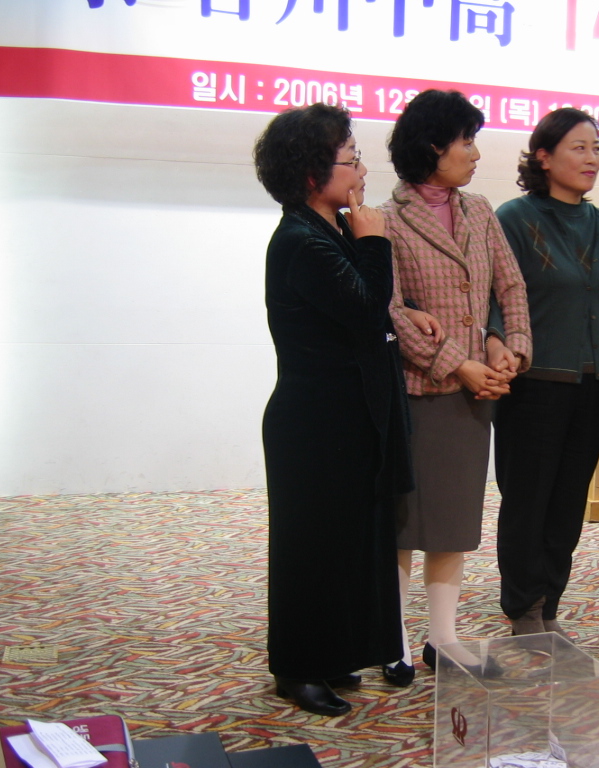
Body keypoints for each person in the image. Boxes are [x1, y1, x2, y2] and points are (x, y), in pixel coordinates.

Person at [255, 104, 426, 716]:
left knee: (347, 544)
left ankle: (331, 653)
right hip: (314, 423)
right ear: (311, 174)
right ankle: (297, 668)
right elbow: (364, 309)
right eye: (350, 159)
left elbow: (368, 312)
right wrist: (375, 239)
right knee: (310, 548)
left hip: (345, 416)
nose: (361, 170)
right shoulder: (301, 240)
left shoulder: (327, 230)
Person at [380, 89, 532, 681]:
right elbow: (390, 310)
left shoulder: (480, 210)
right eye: (466, 141)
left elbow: (510, 287)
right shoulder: (387, 219)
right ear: (431, 146)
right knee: (404, 523)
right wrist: (455, 362)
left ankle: (442, 637)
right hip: (419, 391)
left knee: (454, 521)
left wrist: (508, 347)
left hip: (476, 394)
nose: (475, 152)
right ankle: (392, 638)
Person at [492, 108, 599, 637]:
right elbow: (495, 297)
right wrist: (496, 345)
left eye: (596, 148)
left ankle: (549, 603)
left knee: (568, 501)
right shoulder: (514, 218)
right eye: (579, 148)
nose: (592, 158)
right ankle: (523, 606)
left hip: (593, 382)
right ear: (544, 156)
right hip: (533, 383)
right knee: (528, 499)